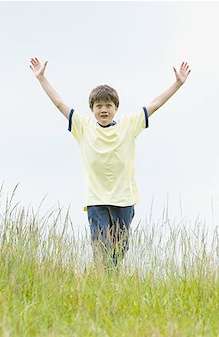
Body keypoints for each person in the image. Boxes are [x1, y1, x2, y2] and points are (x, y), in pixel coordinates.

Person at [29, 57, 190, 267]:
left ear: (116, 108)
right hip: (96, 198)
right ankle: (102, 280)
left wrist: (177, 84)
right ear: (92, 109)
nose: (103, 110)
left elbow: (155, 104)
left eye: (108, 105)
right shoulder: (83, 126)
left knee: (120, 248)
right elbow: (60, 103)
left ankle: (111, 280)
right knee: (101, 245)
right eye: (98, 106)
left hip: (124, 198)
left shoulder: (129, 125)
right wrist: (42, 78)